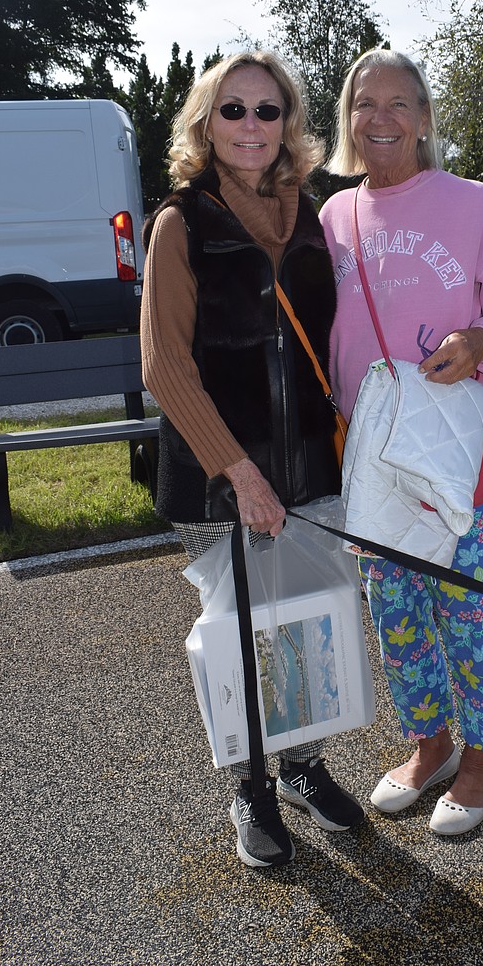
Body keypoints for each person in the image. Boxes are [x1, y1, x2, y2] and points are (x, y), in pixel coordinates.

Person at [141, 51, 363, 869]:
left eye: (267, 111)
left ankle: (302, 766)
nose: (250, 126)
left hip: (307, 464)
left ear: (289, 125)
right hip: (218, 474)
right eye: (232, 110)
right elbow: (164, 364)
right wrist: (238, 470)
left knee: (303, 628)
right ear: (206, 122)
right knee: (235, 637)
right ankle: (249, 786)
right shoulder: (181, 223)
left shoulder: (313, 214)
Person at [319, 49, 483, 836]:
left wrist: (482, 342)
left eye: (398, 103)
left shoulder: (473, 204)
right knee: (399, 615)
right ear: (347, 119)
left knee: (472, 616)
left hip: (465, 464)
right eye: (364, 103)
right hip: (375, 468)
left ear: (423, 117)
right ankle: (432, 745)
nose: (380, 118)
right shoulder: (334, 218)